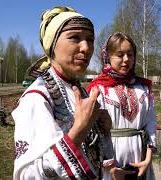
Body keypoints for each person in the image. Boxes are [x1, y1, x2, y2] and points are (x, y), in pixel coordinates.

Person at [12, 6, 110, 179]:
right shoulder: (37, 98)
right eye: (74, 38)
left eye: (90, 40)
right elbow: (27, 176)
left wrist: (104, 129)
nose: (86, 48)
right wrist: (79, 130)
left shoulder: (77, 89)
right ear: (52, 45)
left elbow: (93, 155)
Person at [87, 32, 157, 180]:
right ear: (108, 57)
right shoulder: (98, 89)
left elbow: (151, 123)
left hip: (141, 158)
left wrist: (148, 159)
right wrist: (110, 167)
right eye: (120, 55)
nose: (126, 60)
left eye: (130, 55)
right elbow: (94, 132)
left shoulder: (143, 87)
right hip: (111, 162)